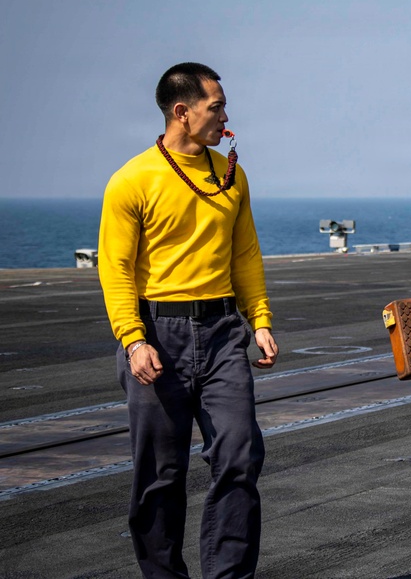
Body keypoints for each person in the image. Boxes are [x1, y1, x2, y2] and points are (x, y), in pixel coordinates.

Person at [98, 62, 278, 578]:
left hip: (223, 333)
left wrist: (259, 321)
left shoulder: (231, 173)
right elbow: (115, 269)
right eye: (215, 106)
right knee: (160, 474)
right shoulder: (131, 180)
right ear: (183, 111)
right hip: (158, 333)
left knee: (240, 458)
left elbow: (245, 254)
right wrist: (134, 341)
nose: (225, 115)